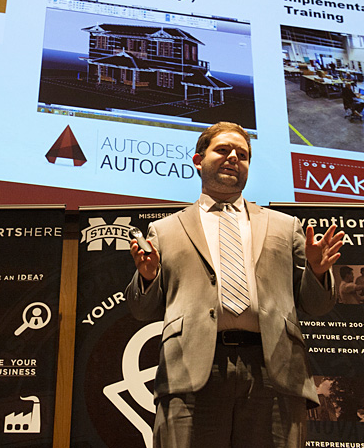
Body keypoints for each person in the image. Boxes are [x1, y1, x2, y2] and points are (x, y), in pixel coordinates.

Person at [126, 122, 343, 448]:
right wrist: (147, 278)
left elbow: (317, 305)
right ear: (198, 160)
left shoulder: (285, 227)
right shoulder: (164, 231)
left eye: (242, 154)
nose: (233, 158)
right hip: (191, 370)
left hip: (274, 370)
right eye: (223, 150)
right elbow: (141, 310)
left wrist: (316, 271)